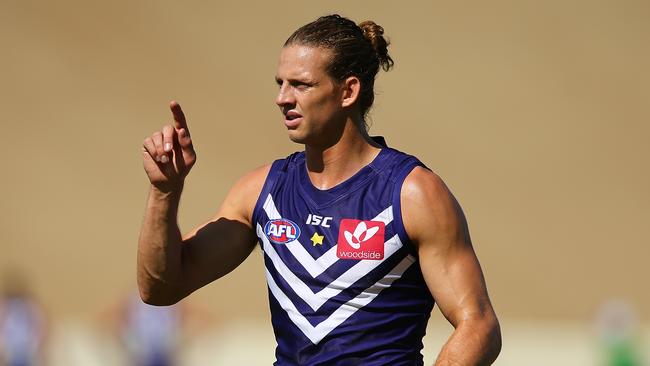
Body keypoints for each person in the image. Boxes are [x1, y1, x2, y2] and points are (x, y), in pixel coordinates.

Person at [138, 14, 501, 365]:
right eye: (279, 83)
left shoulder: (412, 193)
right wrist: (165, 192)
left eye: (300, 85)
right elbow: (160, 289)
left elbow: (479, 325)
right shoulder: (262, 190)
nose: (282, 98)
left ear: (348, 91)